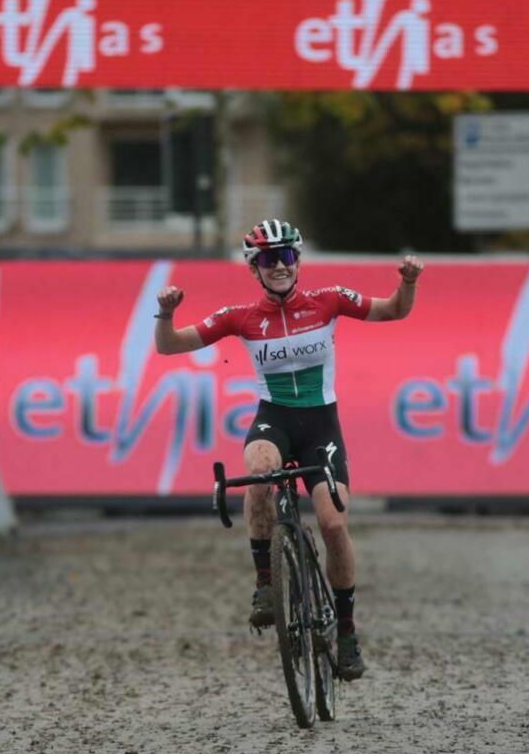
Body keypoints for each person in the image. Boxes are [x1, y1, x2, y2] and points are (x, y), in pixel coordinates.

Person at [153, 219, 423, 681]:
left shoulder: (329, 300)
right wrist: (166, 314)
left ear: (298, 261)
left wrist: (409, 281)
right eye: (267, 259)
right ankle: (264, 584)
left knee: (334, 524)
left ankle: (346, 630)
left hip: (321, 424)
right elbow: (169, 347)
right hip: (273, 418)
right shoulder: (241, 316)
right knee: (257, 472)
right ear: (254, 269)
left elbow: (395, 311)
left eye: (286, 256)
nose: (278, 266)